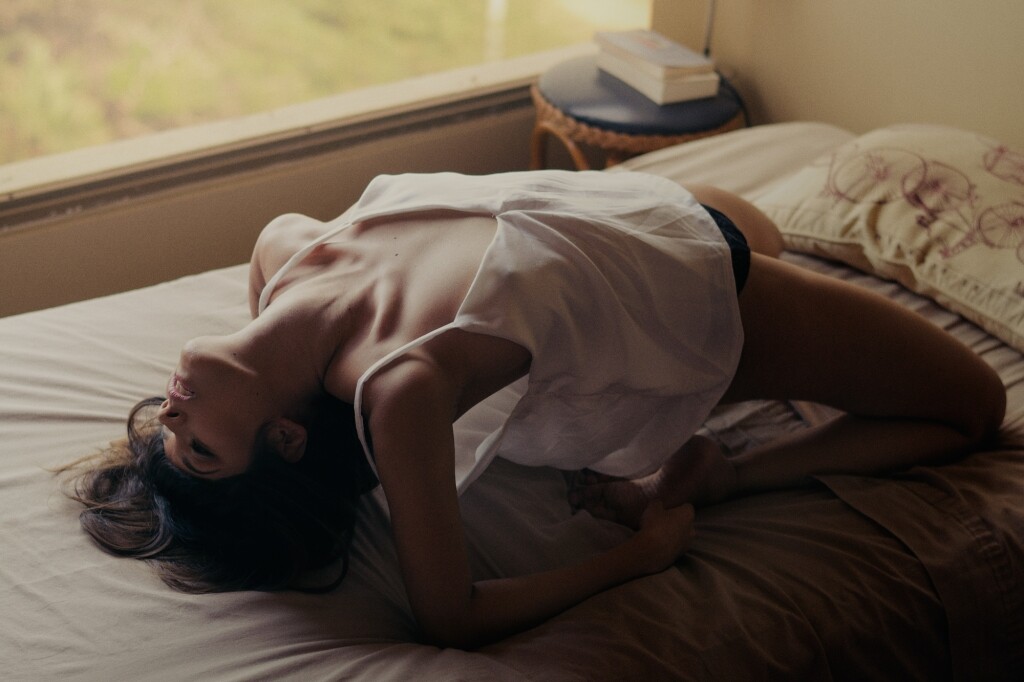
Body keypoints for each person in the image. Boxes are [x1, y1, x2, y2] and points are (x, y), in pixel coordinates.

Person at [63, 170, 1005, 649]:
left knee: (769, 220)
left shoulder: (282, 252)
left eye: (170, 436)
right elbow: (452, 617)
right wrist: (641, 554)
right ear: (286, 437)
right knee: (973, 405)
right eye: (200, 450)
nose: (172, 418)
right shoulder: (401, 390)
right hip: (712, 295)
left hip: (639, 210)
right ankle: (733, 471)